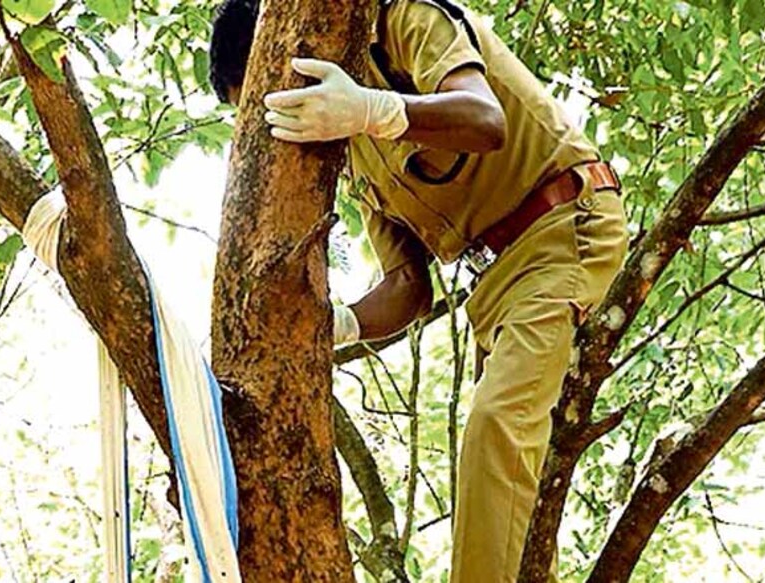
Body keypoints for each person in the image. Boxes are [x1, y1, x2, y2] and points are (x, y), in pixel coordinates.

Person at [209, 1, 627, 580]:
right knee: (507, 493)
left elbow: (485, 119)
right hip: (498, 285)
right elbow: (408, 285)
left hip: (563, 226)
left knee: (494, 431)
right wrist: (340, 324)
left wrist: (377, 109)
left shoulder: (402, 20)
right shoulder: (352, 145)